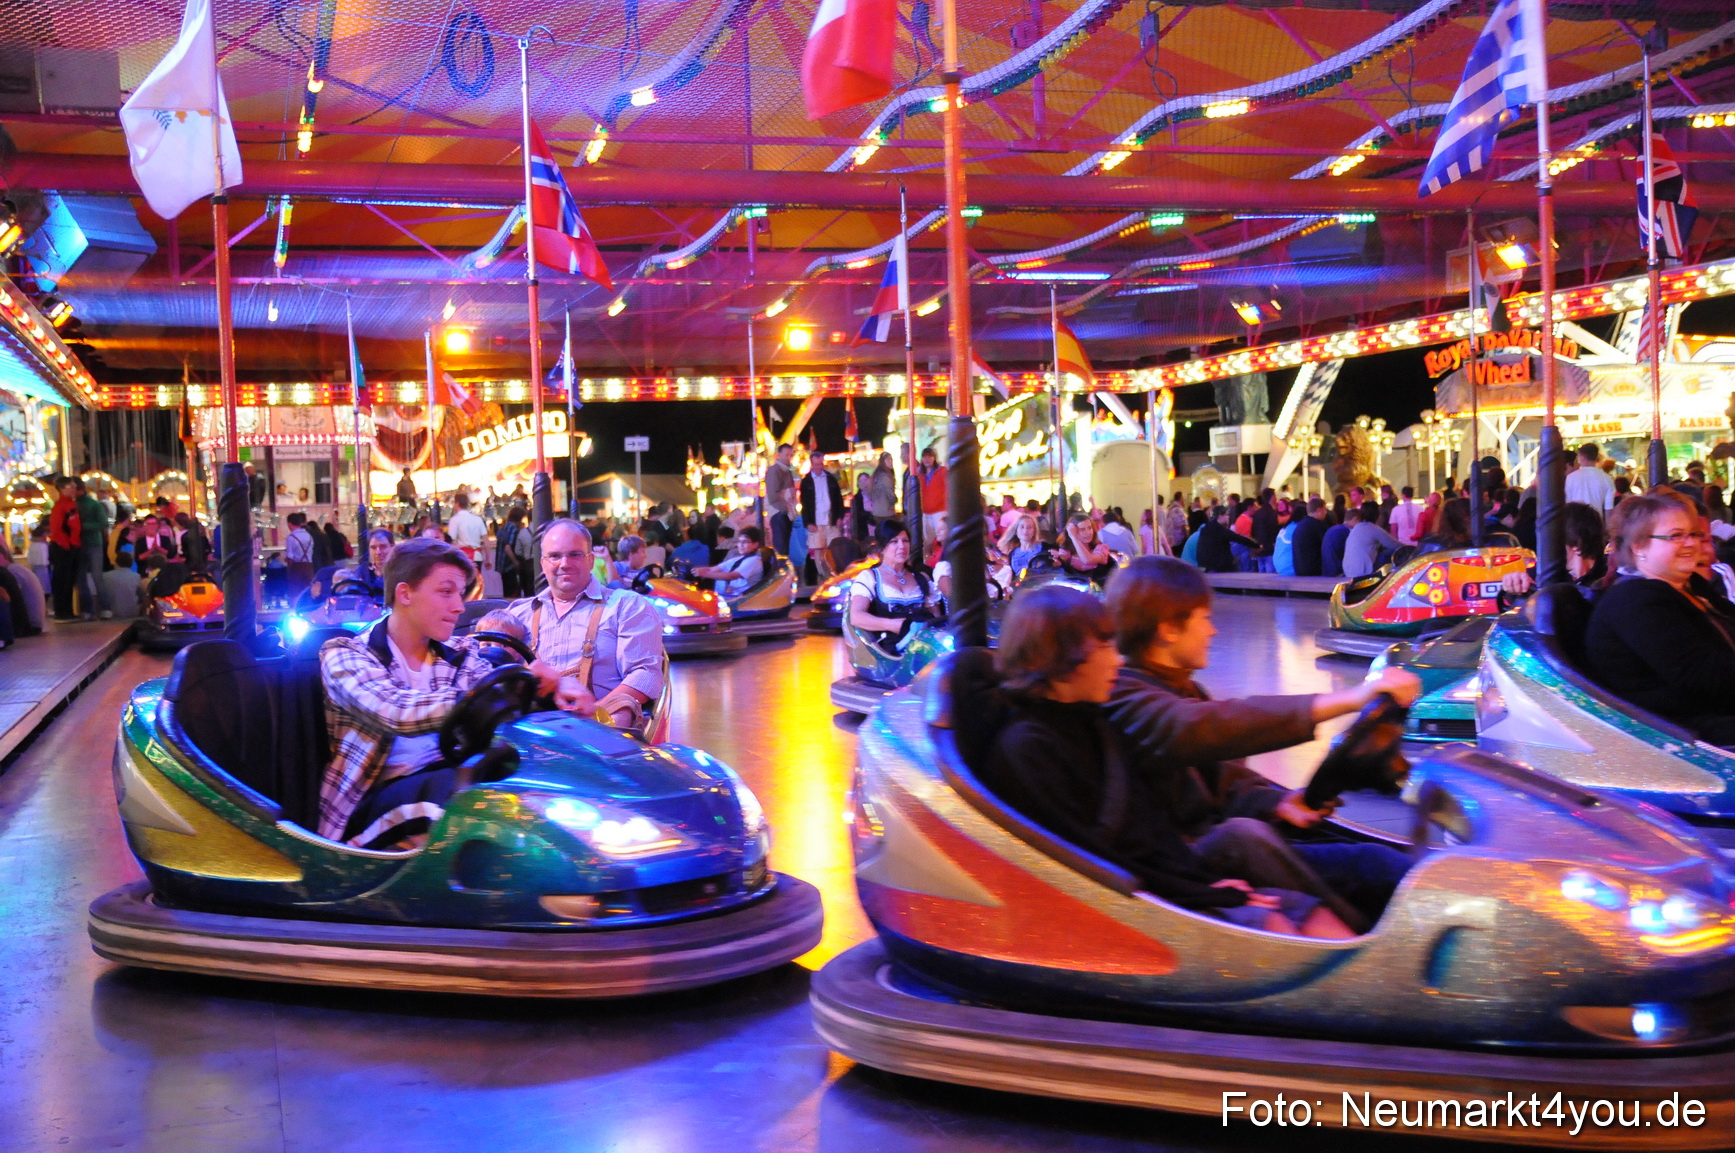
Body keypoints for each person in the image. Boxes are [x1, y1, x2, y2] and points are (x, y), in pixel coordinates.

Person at [983, 584, 1354, 938]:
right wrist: (1200, 893)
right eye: (1105, 648)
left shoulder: (1091, 720)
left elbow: (1148, 825)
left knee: (1306, 910)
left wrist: (1204, 882)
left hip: (1166, 880)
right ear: (1065, 659)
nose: (1116, 659)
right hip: (1124, 902)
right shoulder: (1027, 748)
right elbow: (1086, 858)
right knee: (1273, 920)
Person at [1103, 557, 1419, 927]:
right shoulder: (1123, 696)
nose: (1213, 631)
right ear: (1169, 629)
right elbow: (1202, 727)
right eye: (1204, 619)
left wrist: (1279, 802)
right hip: (1186, 863)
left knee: (1376, 861)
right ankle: (1364, 945)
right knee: (1252, 837)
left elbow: (1226, 780)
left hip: (1220, 843)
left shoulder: (1183, 687)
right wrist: (1350, 699)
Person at [318, 540, 498, 849]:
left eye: (459, 593)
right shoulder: (345, 655)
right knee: (463, 799)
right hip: (371, 802)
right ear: (405, 594)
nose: (459, 606)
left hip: (448, 778)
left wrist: (547, 688)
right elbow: (394, 711)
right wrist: (474, 702)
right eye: (446, 592)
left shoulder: (460, 652)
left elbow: (492, 686)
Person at [1585, 492, 1735, 744]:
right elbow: (1703, 678)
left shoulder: (1690, 586)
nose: (1690, 543)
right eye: (1676, 536)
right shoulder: (1634, 600)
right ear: (1639, 546)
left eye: (1694, 534)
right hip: (1681, 735)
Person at [503, 519, 665, 731]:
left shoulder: (627, 606)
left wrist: (596, 714)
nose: (564, 564)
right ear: (543, 564)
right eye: (554, 556)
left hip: (599, 737)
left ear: (590, 560)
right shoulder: (517, 614)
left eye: (574, 554)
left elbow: (646, 675)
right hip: (525, 736)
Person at [848, 519, 936, 654]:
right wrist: (892, 625)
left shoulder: (921, 578)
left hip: (922, 646)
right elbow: (856, 617)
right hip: (891, 650)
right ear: (882, 548)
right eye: (894, 542)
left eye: (905, 541)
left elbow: (936, 615)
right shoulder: (870, 577)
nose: (902, 546)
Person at [800, 451, 845, 579]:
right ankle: (822, 575)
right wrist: (808, 522)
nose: (819, 467)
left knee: (833, 548)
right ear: (812, 464)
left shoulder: (830, 478)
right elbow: (804, 503)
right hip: (816, 521)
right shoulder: (807, 481)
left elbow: (838, 499)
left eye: (821, 464)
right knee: (818, 549)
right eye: (816, 464)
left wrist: (839, 516)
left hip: (831, 520)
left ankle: (834, 573)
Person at [73, 478, 111, 620]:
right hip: (82, 543)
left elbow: (103, 523)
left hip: (92, 543)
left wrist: (81, 526)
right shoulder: (76, 504)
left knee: (95, 576)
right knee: (83, 577)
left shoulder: (93, 504)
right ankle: (94, 609)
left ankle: (102, 608)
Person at [692, 525, 766, 596]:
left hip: (741, 598)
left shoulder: (754, 561)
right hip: (729, 595)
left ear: (755, 544)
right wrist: (695, 571)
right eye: (739, 541)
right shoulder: (738, 559)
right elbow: (713, 569)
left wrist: (704, 574)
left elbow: (732, 576)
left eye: (745, 542)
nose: (740, 545)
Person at [1195, 503, 1258, 574]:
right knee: (1243, 551)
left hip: (1205, 565)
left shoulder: (1206, 528)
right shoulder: (1220, 530)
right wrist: (1257, 546)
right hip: (1218, 566)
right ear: (1220, 516)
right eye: (1226, 515)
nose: (1228, 517)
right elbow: (1239, 538)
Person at [1341, 500, 1397, 579]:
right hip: (1364, 573)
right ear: (1377, 514)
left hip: (1348, 572)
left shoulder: (1356, 528)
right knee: (1388, 553)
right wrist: (1412, 548)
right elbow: (1394, 544)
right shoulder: (1373, 528)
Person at [1562, 442, 1615, 520]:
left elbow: (1567, 505)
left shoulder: (1571, 478)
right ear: (1596, 456)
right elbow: (1609, 510)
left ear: (1581, 456)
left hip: (1575, 523)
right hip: (1596, 523)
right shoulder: (1607, 479)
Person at [0, 547, 44, 637]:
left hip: (27, 626)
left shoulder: (10, 572)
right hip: (34, 623)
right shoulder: (17, 569)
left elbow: (10, 599)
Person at [1059, 513, 1115, 584]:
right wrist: (1055, 558)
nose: (1088, 533)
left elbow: (1088, 560)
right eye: (1082, 529)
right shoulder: (1068, 549)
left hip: (1098, 590)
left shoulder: (1101, 548)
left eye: (1089, 528)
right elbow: (1059, 562)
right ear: (1072, 531)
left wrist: (1074, 538)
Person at [765, 443, 797, 555]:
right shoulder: (774, 470)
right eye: (787, 455)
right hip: (779, 512)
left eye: (791, 455)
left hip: (785, 512)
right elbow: (773, 496)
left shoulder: (787, 471)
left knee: (788, 544)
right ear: (779, 454)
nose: (789, 457)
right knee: (782, 546)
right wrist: (787, 508)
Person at [493, 507, 534, 599]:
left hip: (502, 566)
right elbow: (508, 548)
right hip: (510, 566)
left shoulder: (504, 527)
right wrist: (516, 563)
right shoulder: (514, 529)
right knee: (514, 593)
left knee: (507, 593)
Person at [996, 512, 1045, 580]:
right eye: (1022, 527)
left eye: (1029, 527)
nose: (1025, 530)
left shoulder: (1044, 547)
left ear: (1034, 531)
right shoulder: (1013, 554)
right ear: (1016, 531)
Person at [916, 443, 947, 545]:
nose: (927, 459)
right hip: (924, 512)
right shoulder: (919, 474)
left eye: (929, 456)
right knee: (927, 541)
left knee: (942, 537)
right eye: (924, 457)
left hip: (940, 511)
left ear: (934, 458)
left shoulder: (942, 471)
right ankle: (929, 560)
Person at [1290, 497, 1329, 576]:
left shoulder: (1301, 524)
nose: (1326, 512)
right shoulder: (1317, 525)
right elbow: (1327, 545)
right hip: (1313, 570)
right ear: (1319, 510)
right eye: (1324, 509)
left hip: (1299, 569)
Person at [446, 492, 487, 564]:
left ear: (457, 503)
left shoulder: (455, 520)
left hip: (462, 556)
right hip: (477, 556)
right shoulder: (478, 519)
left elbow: (451, 541)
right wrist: (488, 558)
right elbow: (486, 540)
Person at [284, 512, 318, 598]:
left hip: (296, 568)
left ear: (289, 523)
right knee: (308, 591)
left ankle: (296, 609)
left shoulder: (291, 537)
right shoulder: (309, 536)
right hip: (309, 567)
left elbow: (290, 556)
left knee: (296, 593)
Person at [868, 452, 897, 524]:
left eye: (891, 460)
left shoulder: (876, 475)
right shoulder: (885, 476)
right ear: (883, 462)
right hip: (885, 511)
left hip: (876, 511)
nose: (890, 462)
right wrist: (895, 500)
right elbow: (889, 493)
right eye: (888, 460)